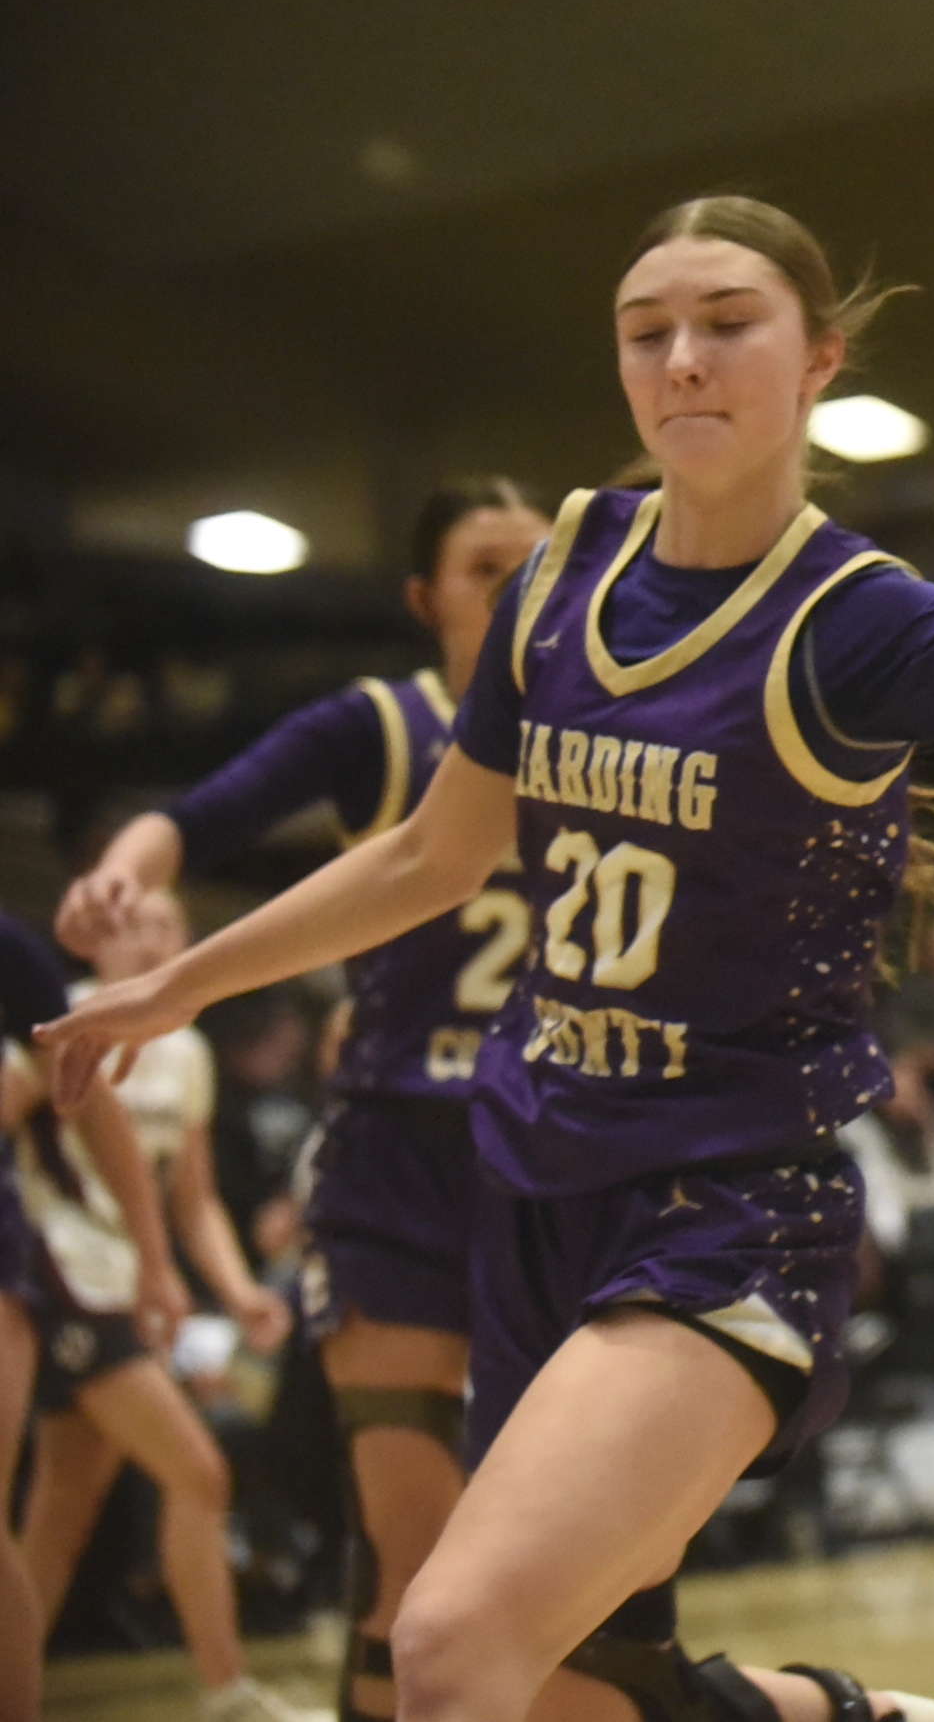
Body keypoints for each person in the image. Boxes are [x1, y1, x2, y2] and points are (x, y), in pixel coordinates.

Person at [41, 192, 934, 1722]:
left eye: (727, 324)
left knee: (443, 1644)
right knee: (585, 1693)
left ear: (819, 358)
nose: (683, 361)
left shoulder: (853, 622)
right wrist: (182, 982)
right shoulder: (568, 561)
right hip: (531, 1183)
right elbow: (428, 856)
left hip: (726, 1204)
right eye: (649, 334)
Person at [57, 480, 550, 1722]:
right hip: (397, 1159)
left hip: (557, 1160)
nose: (515, 588)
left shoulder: (616, 730)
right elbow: (195, 816)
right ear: (423, 596)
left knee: (545, 1577)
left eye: (536, 563)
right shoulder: (386, 725)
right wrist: (121, 877)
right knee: (415, 1547)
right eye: (485, 567)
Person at [16, 889, 300, 1722]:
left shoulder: (190, 1051)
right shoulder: (55, 1017)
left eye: (166, 929)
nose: (147, 943)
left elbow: (195, 1201)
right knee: (200, 1471)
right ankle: (226, 1690)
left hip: (131, 1282)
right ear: (93, 945)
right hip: (64, 1274)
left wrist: (242, 1290)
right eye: (131, 928)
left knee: (61, 1512)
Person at [0, 909, 185, 1722]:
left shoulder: (15, 955)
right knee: (67, 1498)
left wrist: (155, 1259)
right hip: (70, 1270)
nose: (151, 939)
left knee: (180, 1478)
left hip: (55, 1272)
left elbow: (98, 1111)